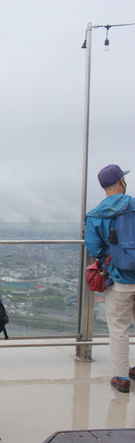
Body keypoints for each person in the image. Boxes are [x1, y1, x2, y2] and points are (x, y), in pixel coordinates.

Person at [85, 164, 135, 393]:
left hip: (118, 278)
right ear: (121, 182)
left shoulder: (96, 214)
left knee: (118, 328)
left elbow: (94, 247)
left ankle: (122, 376)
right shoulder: (133, 205)